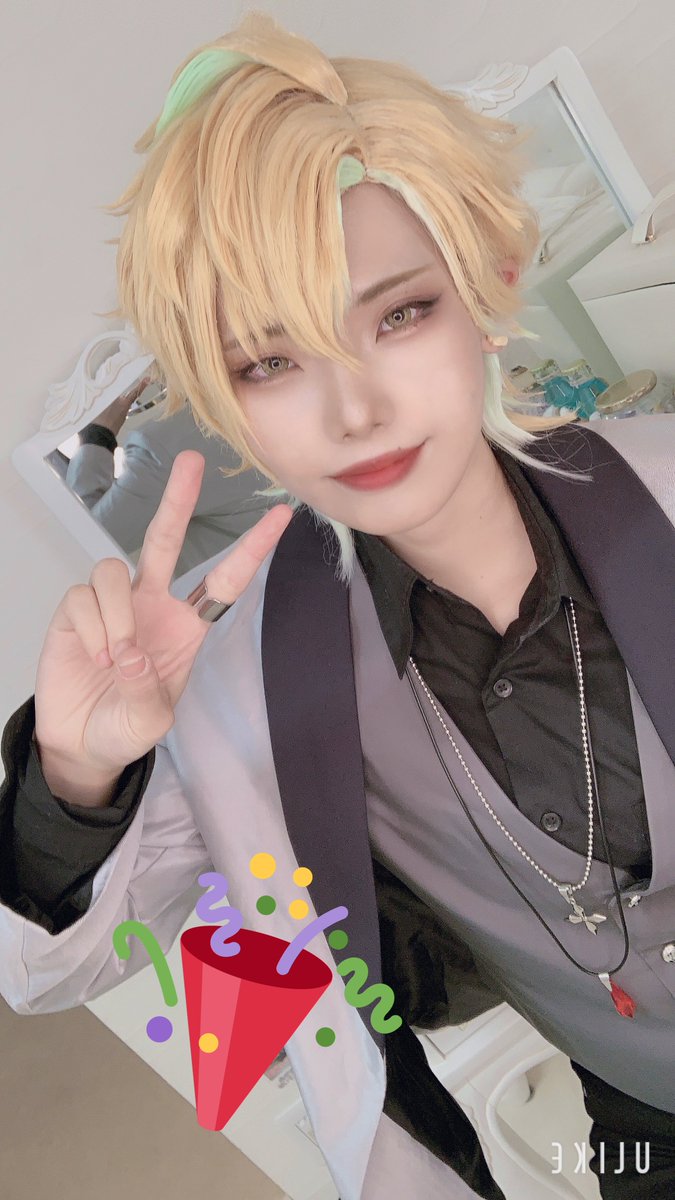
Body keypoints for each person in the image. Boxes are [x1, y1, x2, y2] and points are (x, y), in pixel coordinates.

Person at [1, 12, 674, 1199]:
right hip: (637, 1124)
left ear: (489, 289)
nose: (354, 409)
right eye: (270, 363)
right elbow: (47, 976)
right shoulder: (245, 689)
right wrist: (75, 775)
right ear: (225, 400)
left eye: (399, 314)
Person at [64, 374, 273, 578]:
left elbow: (87, 538)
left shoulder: (162, 450)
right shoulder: (258, 393)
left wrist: (98, 434)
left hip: (242, 591)